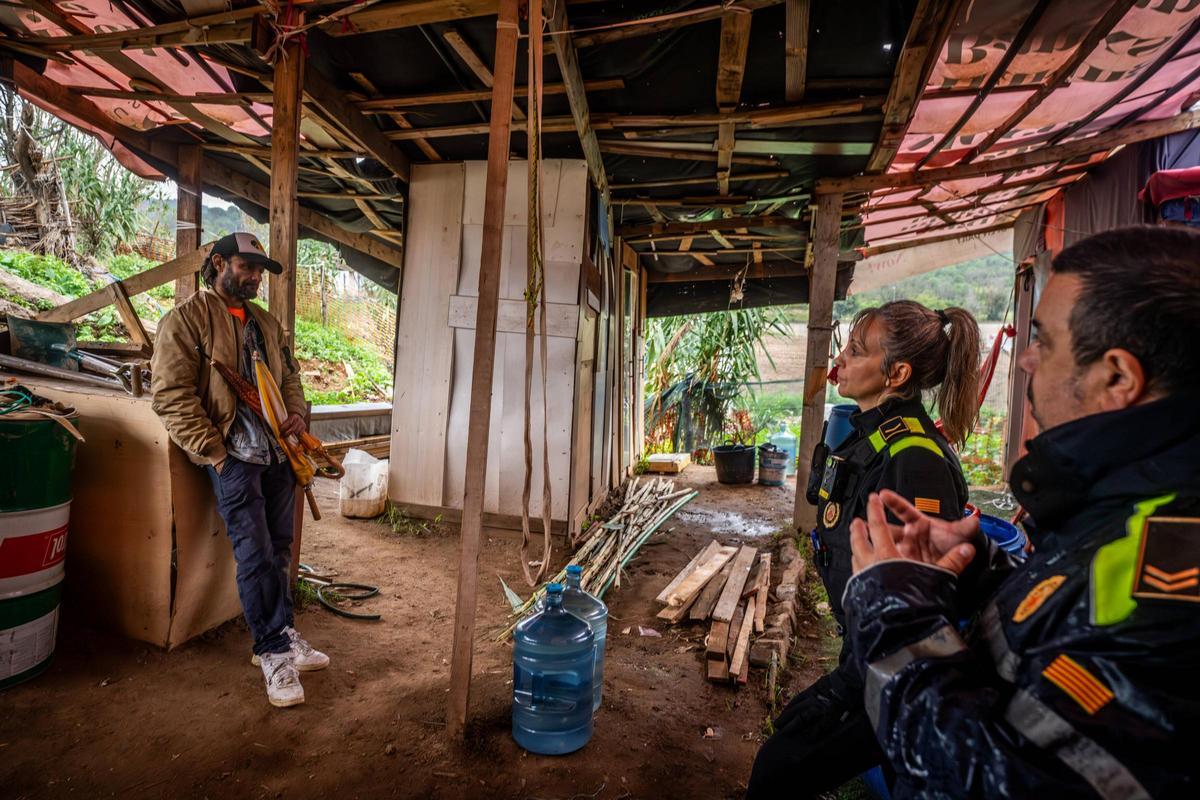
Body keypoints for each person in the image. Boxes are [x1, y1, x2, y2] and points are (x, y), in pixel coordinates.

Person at [844, 225, 1200, 797]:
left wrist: (895, 616)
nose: (1028, 360)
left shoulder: (1168, 587)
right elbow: (1063, 634)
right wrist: (980, 568)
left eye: (1046, 341)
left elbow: (993, 781)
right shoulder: (1121, 507)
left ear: (1117, 377)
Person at [748, 300, 982, 796]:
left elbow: (918, 612)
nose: (839, 364)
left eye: (855, 352)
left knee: (777, 768)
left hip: (893, 675)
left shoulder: (914, 461)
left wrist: (849, 686)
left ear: (896, 373)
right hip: (865, 654)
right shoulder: (871, 435)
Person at [151, 232, 328, 708]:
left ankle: (284, 633)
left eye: (259, 270)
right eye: (246, 267)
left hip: (276, 454)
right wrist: (216, 453)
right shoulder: (186, 320)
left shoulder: (267, 324)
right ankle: (271, 652)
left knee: (280, 548)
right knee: (253, 552)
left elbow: (289, 376)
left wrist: (293, 413)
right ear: (217, 264)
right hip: (232, 457)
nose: (254, 277)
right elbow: (170, 395)